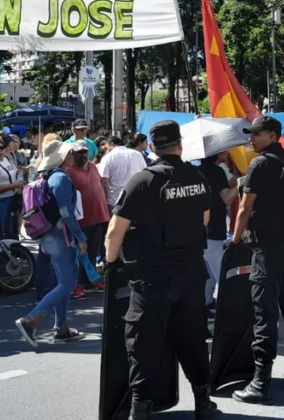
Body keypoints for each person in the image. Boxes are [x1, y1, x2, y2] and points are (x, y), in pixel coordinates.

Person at [104, 120, 217, 420]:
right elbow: (204, 219)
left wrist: (111, 263)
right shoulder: (198, 177)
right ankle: (203, 404)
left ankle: (140, 410)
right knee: (193, 339)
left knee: (143, 343)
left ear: (152, 148)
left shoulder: (142, 181)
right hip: (192, 273)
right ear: (180, 145)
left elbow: (116, 230)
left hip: (153, 277)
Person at [231, 115, 284, 404]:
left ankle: (261, 383)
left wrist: (236, 238)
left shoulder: (261, 164)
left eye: (257, 134)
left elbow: (244, 207)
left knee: (264, 313)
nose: (251, 138)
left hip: (267, 249)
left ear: (273, 135)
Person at [15, 139, 87, 348]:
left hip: (47, 235)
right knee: (68, 283)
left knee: (62, 281)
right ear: (65, 157)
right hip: (60, 236)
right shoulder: (60, 179)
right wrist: (80, 237)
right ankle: (30, 320)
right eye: (70, 153)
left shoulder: (44, 177)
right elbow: (66, 212)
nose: (73, 156)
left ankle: (61, 328)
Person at [65, 142, 110, 295]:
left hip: (98, 215)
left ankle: (90, 280)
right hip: (81, 219)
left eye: (85, 152)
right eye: (80, 152)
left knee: (93, 250)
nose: (83, 155)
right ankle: (76, 283)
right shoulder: (69, 172)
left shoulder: (93, 167)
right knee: (79, 252)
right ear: (73, 153)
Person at [199, 152, 238, 308]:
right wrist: (243, 182)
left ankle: (206, 302)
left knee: (208, 272)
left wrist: (236, 173)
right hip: (214, 229)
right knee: (224, 272)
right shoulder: (216, 171)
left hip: (201, 229)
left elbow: (223, 185)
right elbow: (227, 197)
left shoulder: (199, 171)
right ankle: (230, 308)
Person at [98, 136, 147, 207]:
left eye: (107, 147)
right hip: (135, 200)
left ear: (111, 144)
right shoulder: (137, 154)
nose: (107, 150)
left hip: (114, 201)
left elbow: (104, 182)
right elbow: (144, 175)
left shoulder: (108, 157)